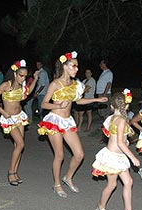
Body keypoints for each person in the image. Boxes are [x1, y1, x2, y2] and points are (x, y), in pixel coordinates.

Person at [37, 51, 108, 198]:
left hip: (67, 121)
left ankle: (67, 177)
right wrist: (57, 106)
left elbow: (78, 101)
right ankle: (56, 184)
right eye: (73, 66)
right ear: (65, 66)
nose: (76, 69)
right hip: (54, 121)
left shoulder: (76, 84)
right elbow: (44, 104)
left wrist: (96, 100)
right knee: (60, 155)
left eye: (77, 66)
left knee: (79, 154)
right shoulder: (55, 84)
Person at [92, 90, 142, 210]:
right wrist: (133, 157)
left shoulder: (111, 118)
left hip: (118, 156)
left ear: (112, 106)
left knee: (128, 182)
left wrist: (124, 140)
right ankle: (100, 208)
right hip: (113, 157)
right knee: (112, 185)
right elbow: (120, 142)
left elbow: (113, 136)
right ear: (126, 106)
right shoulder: (120, 120)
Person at [0, 60, 38, 186]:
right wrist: (3, 112)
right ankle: (11, 172)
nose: (23, 78)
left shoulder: (21, 86)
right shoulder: (6, 85)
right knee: (20, 144)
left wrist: (35, 79)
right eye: (21, 75)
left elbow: (27, 94)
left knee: (19, 145)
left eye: (25, 76)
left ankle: (15, 172)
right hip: (9, 118)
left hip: (19, 117)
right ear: (15, 74)